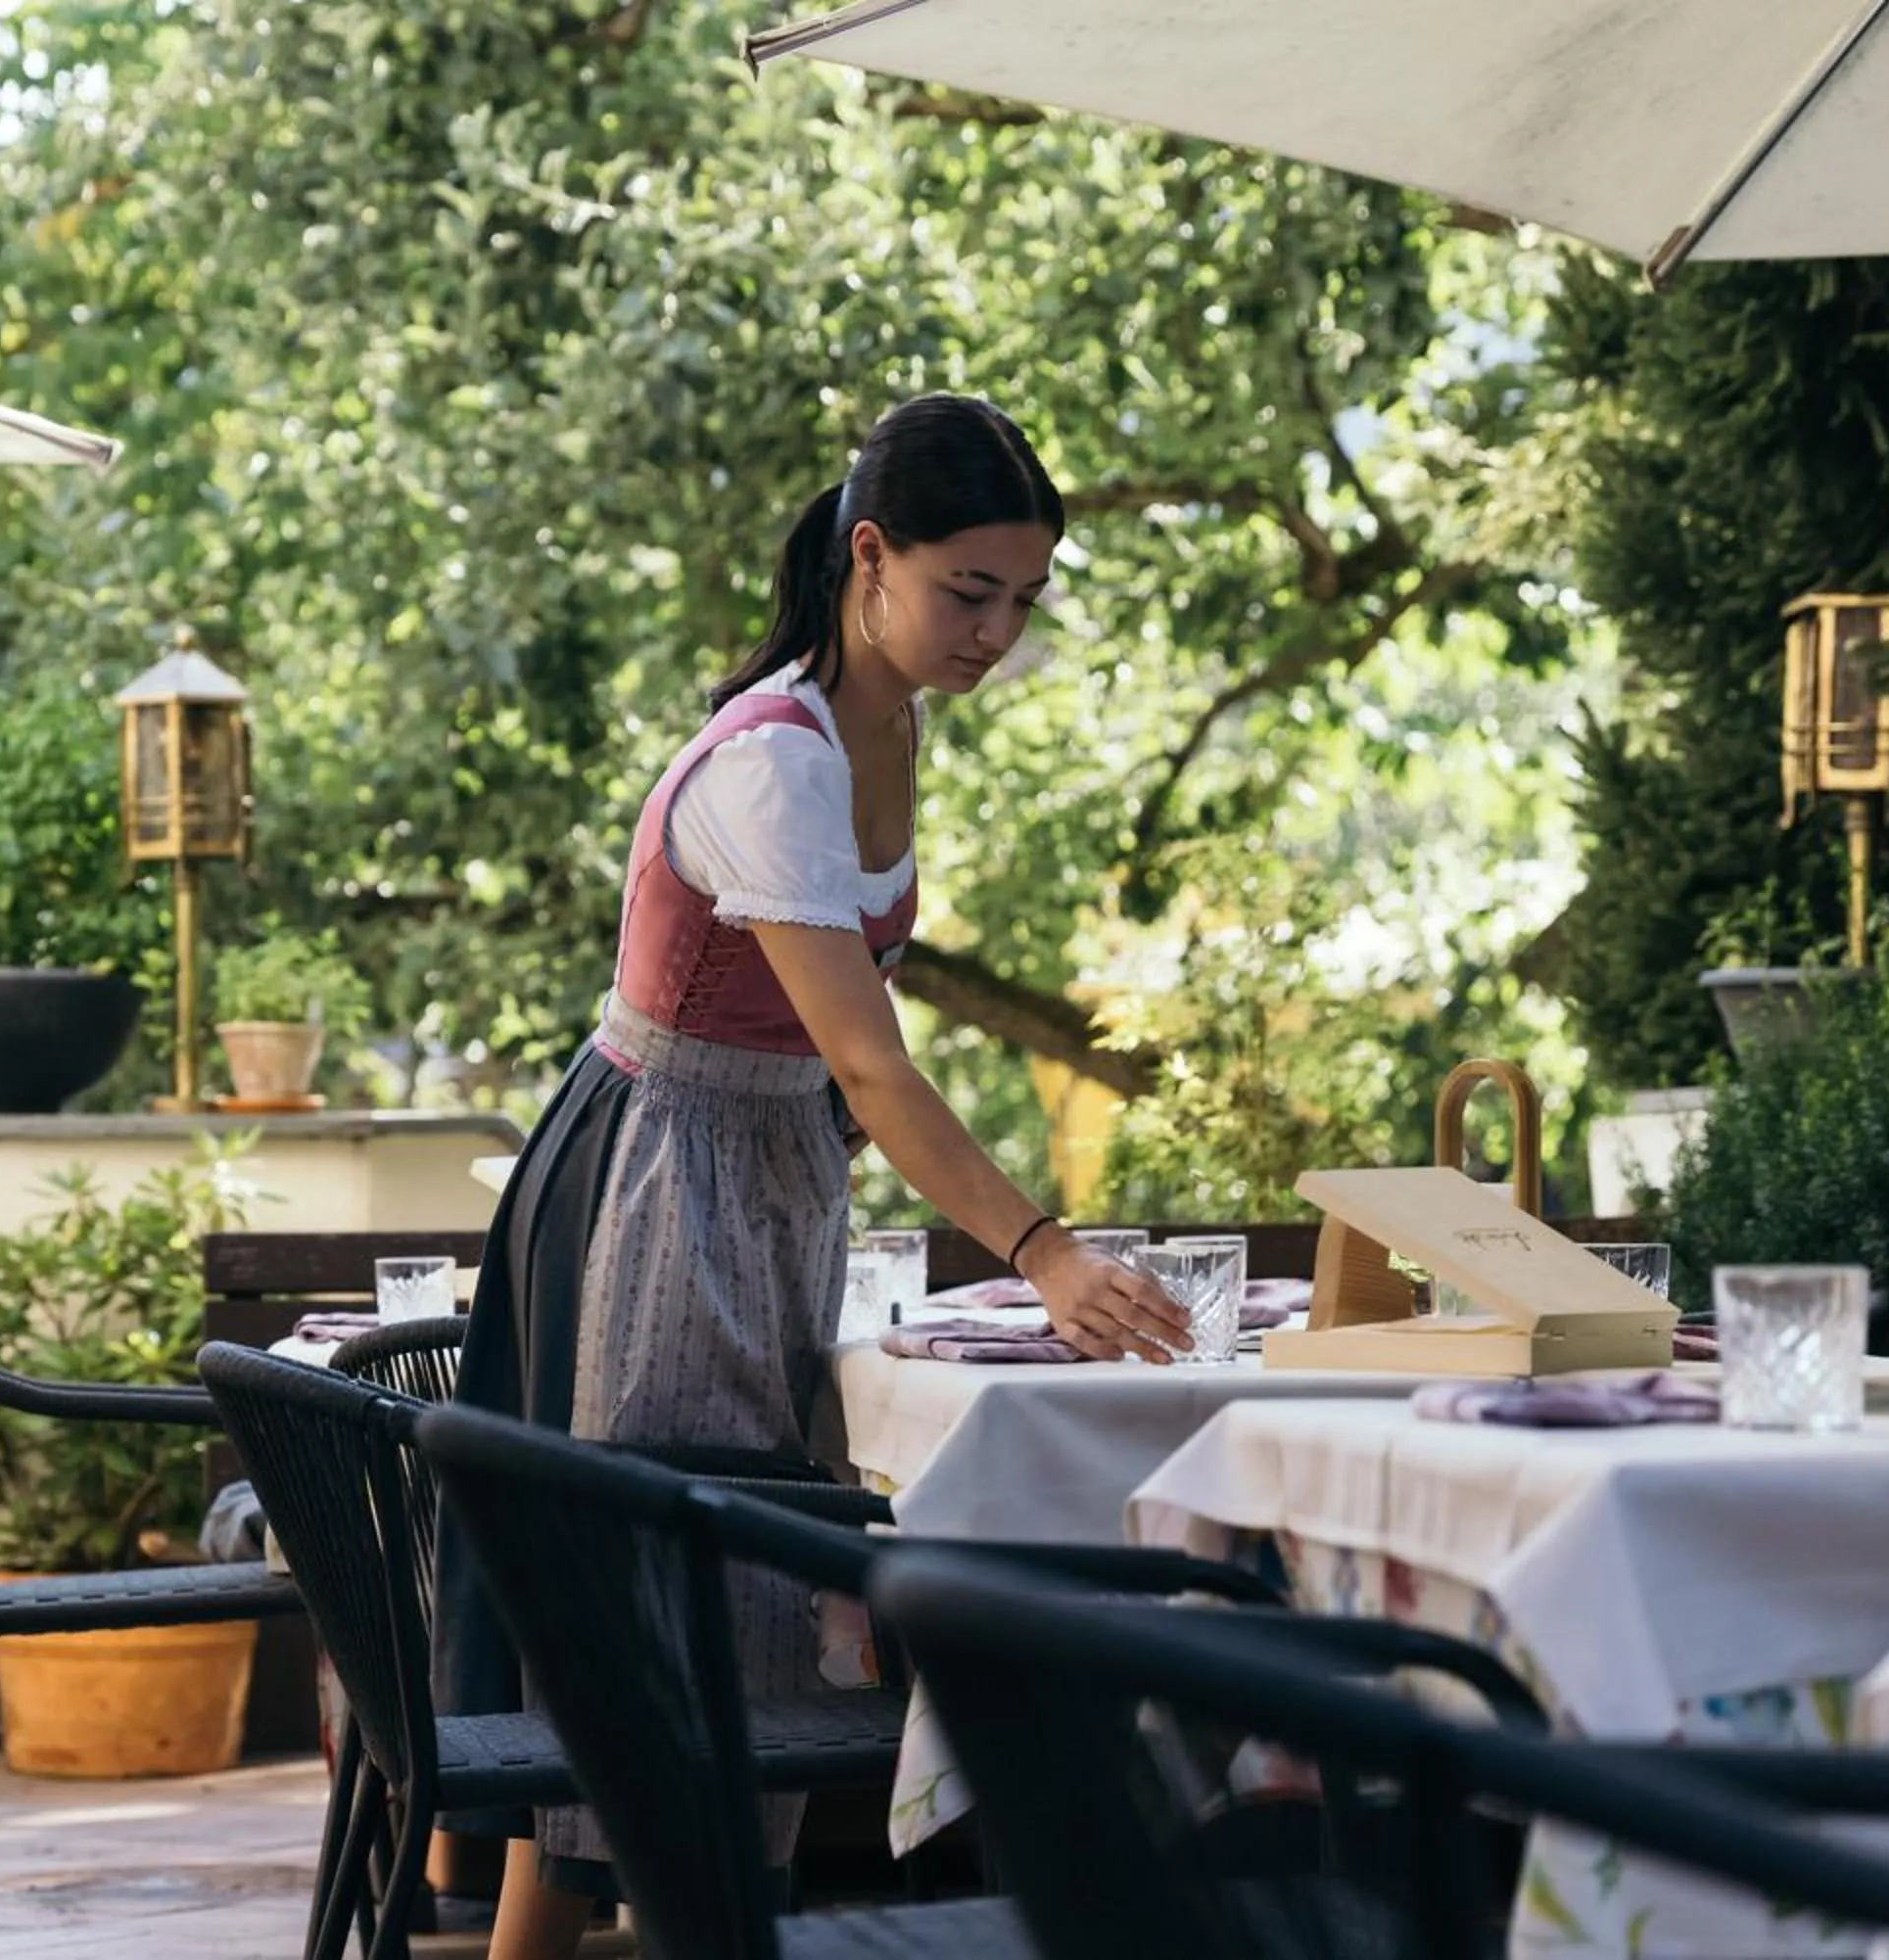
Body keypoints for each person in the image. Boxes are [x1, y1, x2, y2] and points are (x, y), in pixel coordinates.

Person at [440, 393, 1190, 1958]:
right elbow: (868, 1060)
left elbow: (841, 1080)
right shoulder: (773, 761)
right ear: (871, 555)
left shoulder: (890, 721)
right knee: (664, 1622)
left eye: (1023, 599)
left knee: (690, 1619)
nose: (995, 630)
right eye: (968, 590)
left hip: (765, 1183)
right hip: (663, 1181)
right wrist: (1040, 1248)